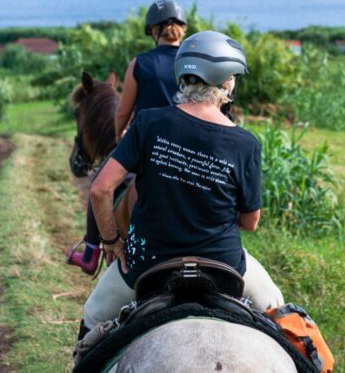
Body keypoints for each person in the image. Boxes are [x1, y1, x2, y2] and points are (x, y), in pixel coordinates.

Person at [79, 30, 283, 337]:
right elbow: (250, 222)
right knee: (278, 312)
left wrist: (111, 241)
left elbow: (100, 189)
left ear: (184, 77)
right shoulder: (246, 144)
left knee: (92, 315)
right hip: (223, 265)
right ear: (226, 82)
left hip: (148, 263)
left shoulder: (147, 123)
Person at [66, 0, 188, 274]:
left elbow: (122, 112)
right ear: (182, 29)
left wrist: (122, 138)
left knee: (100, 183)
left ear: (153, 31)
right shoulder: (193, 62)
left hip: (147, 144)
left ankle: (91, 251)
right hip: (188, 145)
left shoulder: (141, 63)